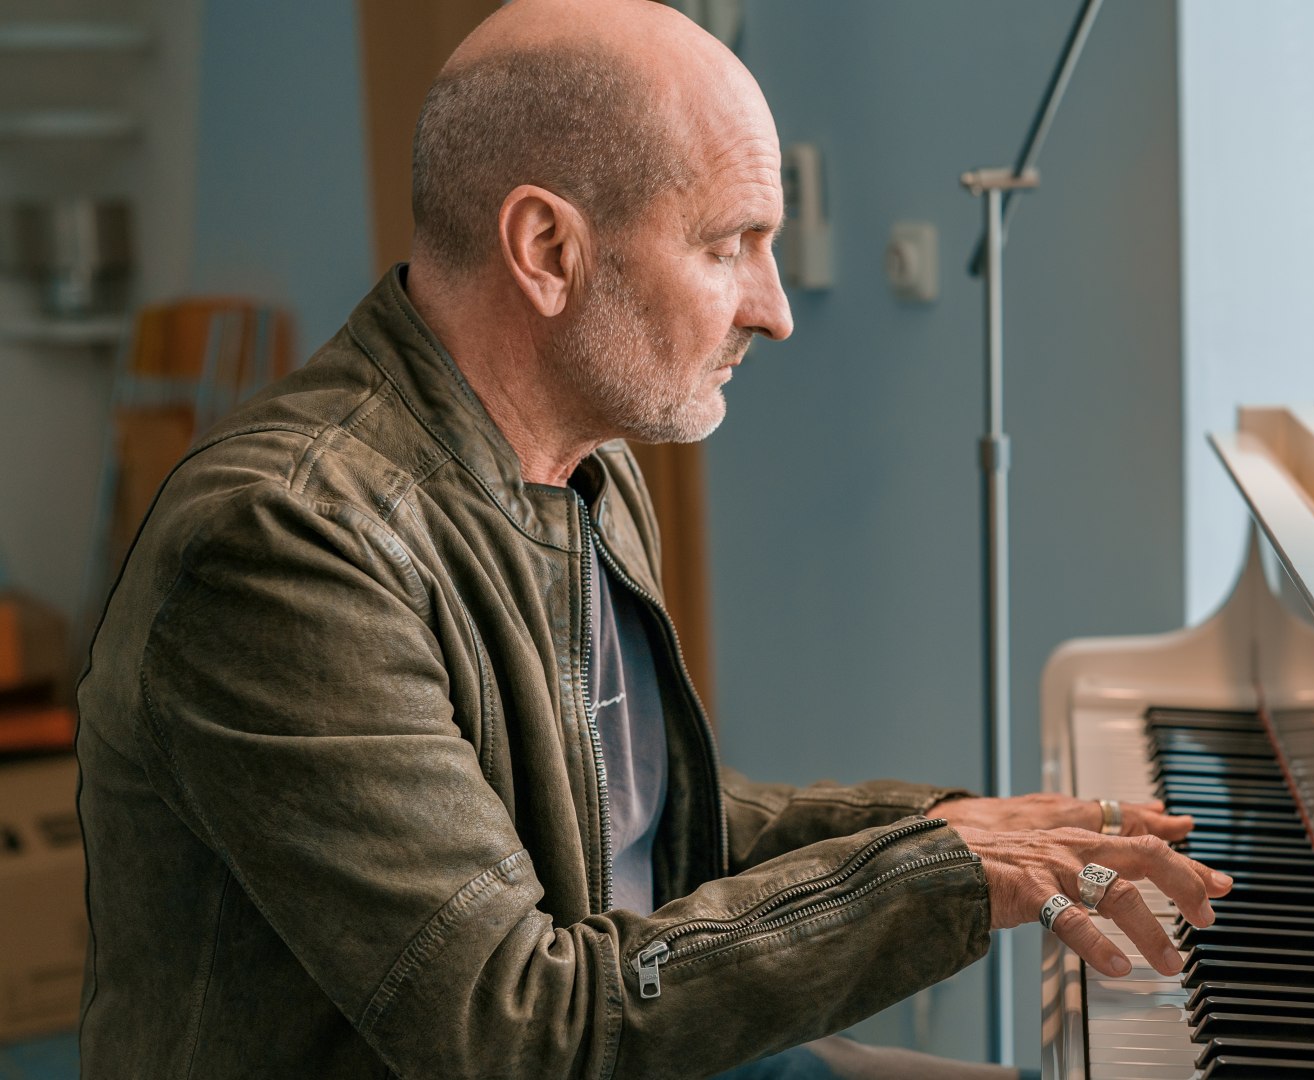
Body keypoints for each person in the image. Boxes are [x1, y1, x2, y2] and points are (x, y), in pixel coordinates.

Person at [73, 2, 1231, 1077]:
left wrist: (946, 832)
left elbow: (641, 829)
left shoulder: (588, 468)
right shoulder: (284, 545)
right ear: (547, 249)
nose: (773, 308)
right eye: (731, 244)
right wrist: (931, 879)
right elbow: (516, 1024)